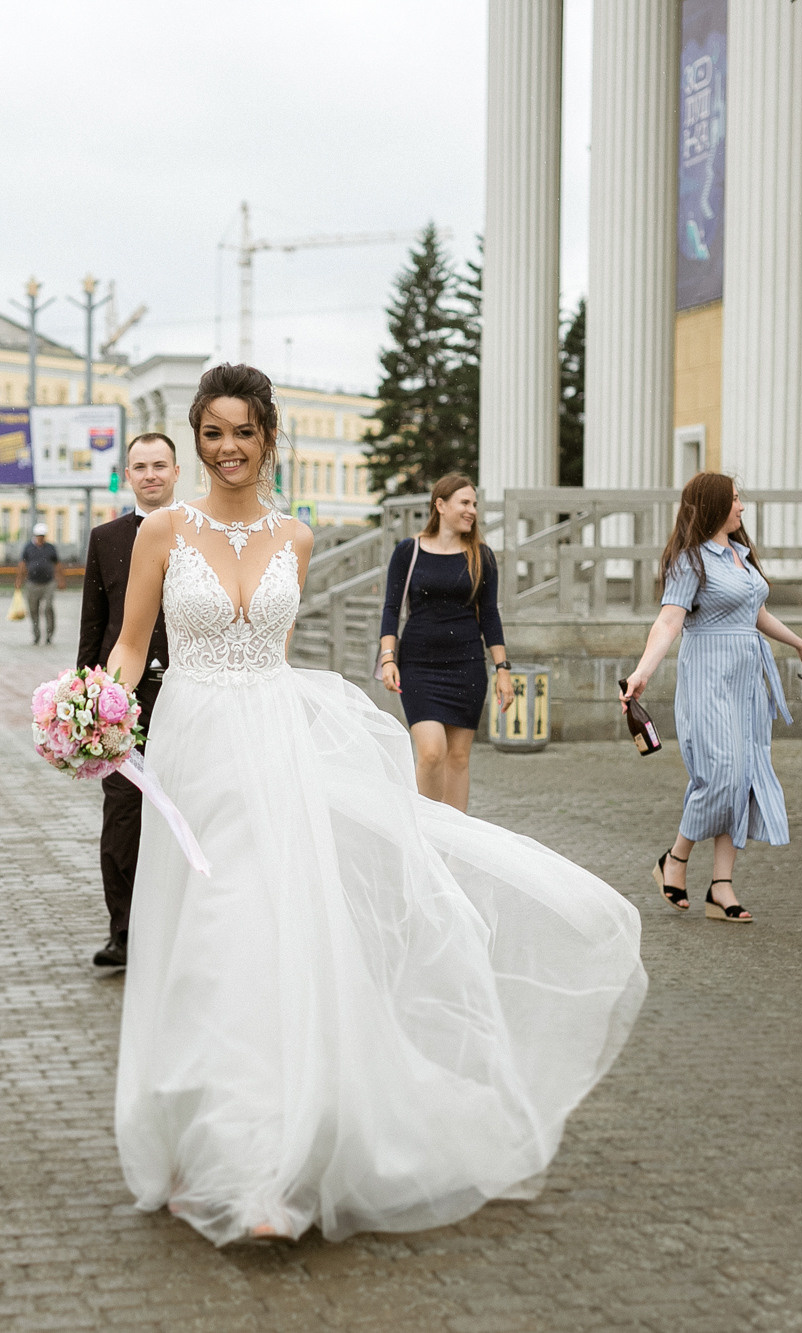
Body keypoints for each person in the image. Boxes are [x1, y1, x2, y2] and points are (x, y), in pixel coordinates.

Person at [105, 363, 646, 1246]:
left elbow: (270, 649)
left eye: (244, 432)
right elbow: (133, 647)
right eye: (213, 433)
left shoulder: (297, 537)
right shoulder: (162, 530)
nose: (228, 448)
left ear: (268, 438)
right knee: (199, 940)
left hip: (272, 746)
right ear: (196, 438)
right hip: (194, 749)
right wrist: (94, 710)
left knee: (265, 938)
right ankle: (194, 1138)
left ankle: (264, 1165)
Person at [621, 472, 802, 925]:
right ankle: (675, 858)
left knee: (743, 776)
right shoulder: (690, 561)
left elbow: (757, 614)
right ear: (713, 505)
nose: (741, 507)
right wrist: (642, 672)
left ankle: (721, 886)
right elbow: (668, 621)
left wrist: (800, 645)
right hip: (708, 679)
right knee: (720, 776)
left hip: (747, 682)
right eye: (734, 500)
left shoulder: (739, 554)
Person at [75, 432, 179, 969]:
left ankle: (180, 932)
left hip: (185, 695)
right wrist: (85, 701)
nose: (150, 474)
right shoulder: (107, 538)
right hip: (122, 701)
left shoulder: (195, 532)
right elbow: (94, 624)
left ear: (177, 472)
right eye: (140, 466)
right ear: (127, 475)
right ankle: (124, 932)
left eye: (160, 465)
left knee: (183, 808)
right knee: (123, 814)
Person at [377, 473, 514, 811]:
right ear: (440, 505)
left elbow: (490, 616)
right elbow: (391, 608)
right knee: (431, 752)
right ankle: (425, 829)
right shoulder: (408, 551)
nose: (472, 511)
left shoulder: (481, 556)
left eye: (475, 504)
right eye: (464, 503)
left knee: (458, 758)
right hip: (418, 666)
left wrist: (503, 670)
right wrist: (388, 658)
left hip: (467, 667)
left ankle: (455, 837)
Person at [16, 522, 63, 644]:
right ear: (35, 535)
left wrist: (60, 580)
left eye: (42, 535)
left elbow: (57, 564)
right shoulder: (28, 548)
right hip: (32, 583)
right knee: (33, 610)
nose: (40, 538)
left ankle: (49, 634)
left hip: (48, 583)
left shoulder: (50, 548)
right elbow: (22, 564)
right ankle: (36, 635)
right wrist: (19, 580)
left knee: (48, 607)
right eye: (38, 535)